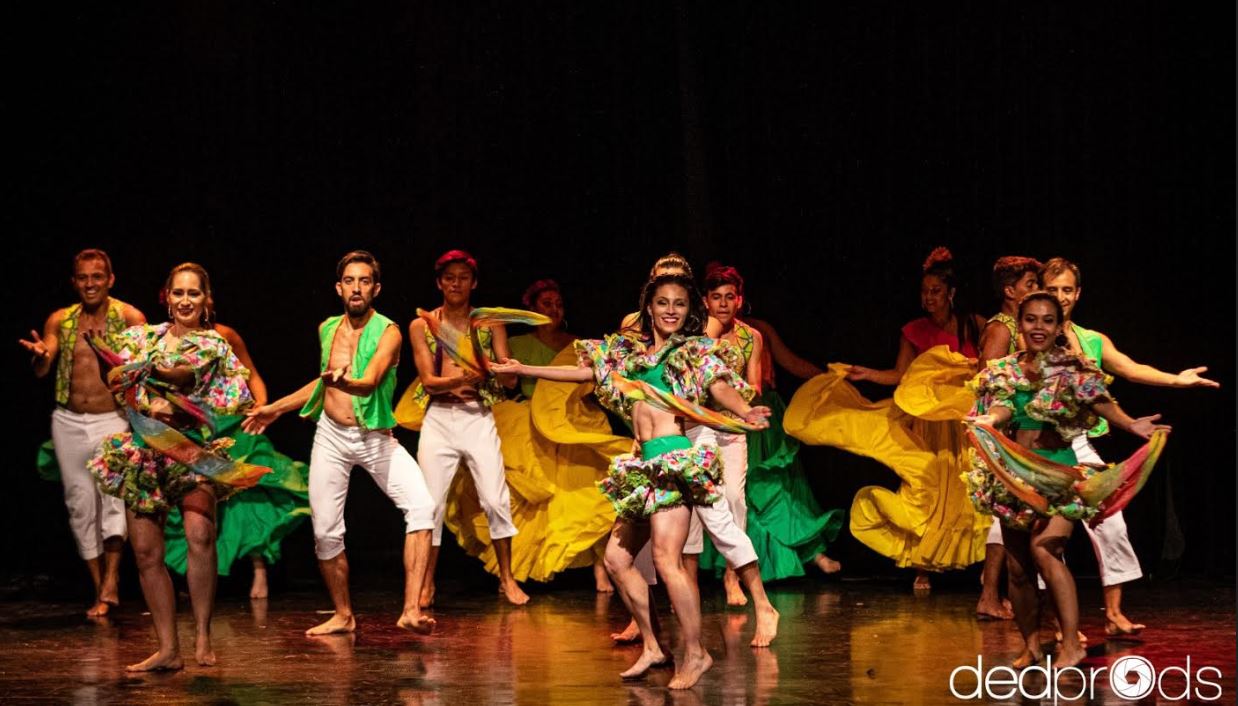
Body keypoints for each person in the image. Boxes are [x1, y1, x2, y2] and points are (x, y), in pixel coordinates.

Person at [493, 273, 770, 689]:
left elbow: (718, 386)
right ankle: (655, 645)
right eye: (663, 303)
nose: (672, 310)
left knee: (665, 559)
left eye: (679, 303)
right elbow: (586, 374)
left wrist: (745, 412)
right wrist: (523, 367)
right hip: (642, 464)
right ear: (649, 308)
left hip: (673, 461)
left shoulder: (689, 352)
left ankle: (696, 653)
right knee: (617, 561)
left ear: (689, 310)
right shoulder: (630, 354)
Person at [965, 291, 1170, 669]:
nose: (1038, 327)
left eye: (1047, 320)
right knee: (1017, 567)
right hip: (1015, 477)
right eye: (1031, 319)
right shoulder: (1005, 371)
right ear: (1020, 324)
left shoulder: (1071, 369)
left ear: (1059, 326)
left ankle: (1072, 644)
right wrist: (989, 421)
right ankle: (1031, 646)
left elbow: (1099, 401)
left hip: (1058, 475)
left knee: (1046, 549)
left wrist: (1129, 423)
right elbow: (1001, 405)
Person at [242, 250, 437, 637]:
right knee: (325, 531)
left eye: (365, 281)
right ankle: (343, 615)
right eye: (350, 281)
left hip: (374, 438)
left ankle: (412, 609)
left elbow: (368, 382)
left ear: (376, 288)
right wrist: (274, 409)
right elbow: (322, 381)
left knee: (422, 507)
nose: (357, 288)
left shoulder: (390, 331)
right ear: (338, 287)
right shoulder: (327, 328)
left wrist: (343, 380)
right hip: (331, 436)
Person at [89, 262, 260, 671]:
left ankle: (202, 635)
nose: (185, 301)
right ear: (167, 298)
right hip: (144, 450)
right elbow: (112, 376)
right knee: (146, 552)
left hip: (190, 450)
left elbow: (181, 377)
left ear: (206, 301)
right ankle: (168, 648)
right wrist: (110, 365)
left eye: (194, 294)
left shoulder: (213, 345)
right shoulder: (139, 338)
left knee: (200, 533)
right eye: (179, 293)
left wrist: (145, 371)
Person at [1040, 257, 1217, 636]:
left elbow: (1131, 368)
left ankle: (1114, 615)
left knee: (1111, 523)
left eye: (1067, 289)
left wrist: (1177, 381)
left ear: (1078, 293)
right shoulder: (1033, 335)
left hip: (1082, 443)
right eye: (1052, 289)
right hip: (1041, 444)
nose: (1060, 297)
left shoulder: (1092, 339)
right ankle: (1059, 622)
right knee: (1049, 535)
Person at [794, 247, 988, 590]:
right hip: (927, 422)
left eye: (936, 292)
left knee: (966, 491)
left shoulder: (974, 325)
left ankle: (989, 569)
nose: (928, 298)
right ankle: (922, 566)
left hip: (963, 421)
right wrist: (866, 373)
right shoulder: (913, 330)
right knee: (928, 489)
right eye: (924, 292)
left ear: (951, 294)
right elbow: (901, 375)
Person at [433, 278, 618, 592]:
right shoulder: (518, 345)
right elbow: (502, 379)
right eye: (546, 304)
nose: (554, 309)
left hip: (573, 419)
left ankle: (602, 568)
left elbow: (595, 380)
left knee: (591, 487)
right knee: (531, 492)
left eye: (558, 304)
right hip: (530, 419)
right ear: (531, 309)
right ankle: (516, 569)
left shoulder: (577, 344)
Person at [691, 264, 844, 597]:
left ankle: (734, 574)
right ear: (705, 300)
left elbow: (754, 383)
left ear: (740, 299)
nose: (722, 304)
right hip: (700, 424)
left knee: (738, 497)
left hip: (737, 424)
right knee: (698, 502)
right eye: (715, 297)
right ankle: (685, 581)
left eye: (729, 297)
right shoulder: (697, 336)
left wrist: (739, 402)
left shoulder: (752, 336)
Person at [21, 249, 145, 617]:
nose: (90, 284)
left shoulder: (130, 317)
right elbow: (45, 368)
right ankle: (99, 588)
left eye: (97, 277)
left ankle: (111, 581)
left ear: (110, 279)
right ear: (74, 282)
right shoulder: (61, 320)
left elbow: (141, 370)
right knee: (79, 505)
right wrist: (41, 356)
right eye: (83, 278)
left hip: (113, 419)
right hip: (69, 421)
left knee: (112, 500)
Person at [408, 249, 528, 606]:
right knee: (429, 506)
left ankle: (507, 580)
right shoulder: (423, 324)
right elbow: (429, 382)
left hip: (477, 415)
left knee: (494, 498)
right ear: (439, 283)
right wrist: (466, 376)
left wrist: (505, 369)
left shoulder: (489, 324)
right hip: (440, 418)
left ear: (473, 283)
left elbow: (507, 382)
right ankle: (425, 584)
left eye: (463, 277)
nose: (455, 283)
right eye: (449, 278)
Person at [163, 322, 309, 600]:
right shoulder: (164, 337)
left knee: (247, 492)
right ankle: (192, 576)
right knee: (189, 498)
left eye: (196, 294)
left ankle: (259, 569)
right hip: (190, 424)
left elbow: (252, 375)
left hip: (229, 422)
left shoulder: (225, 334)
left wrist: (261, 407)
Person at [974, 255, 1042, 620]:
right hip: (1004, 431)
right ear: (1009, 290)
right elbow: (990, 379)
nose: (1037, 291)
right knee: (1005, 514)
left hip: (1018, 428)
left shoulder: (1018, 325)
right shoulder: (1002, 327)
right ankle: (989, 594)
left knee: (1010, 516)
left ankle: (994, 593)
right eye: (1030, 285)